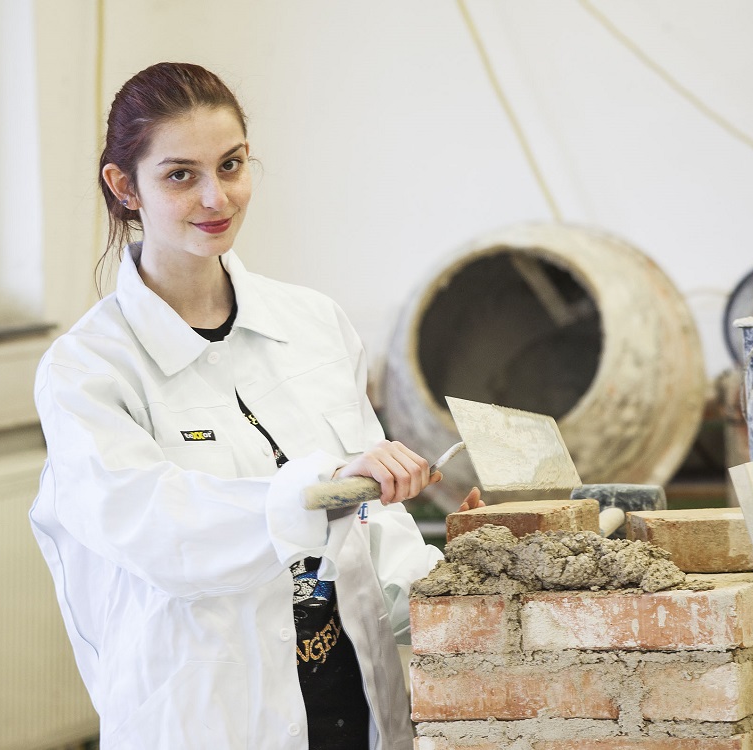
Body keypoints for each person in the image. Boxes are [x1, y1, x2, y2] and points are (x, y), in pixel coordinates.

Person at [29, 61, 483, 750]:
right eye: (181, 174)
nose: (217, 197)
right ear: (125, 188)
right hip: (207, 715)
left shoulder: (316, 323)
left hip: (348, 701)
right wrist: (324, 486)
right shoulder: (87, 368)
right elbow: (161, 532)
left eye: (232, 165)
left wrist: (454, 574)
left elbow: (367, 530)